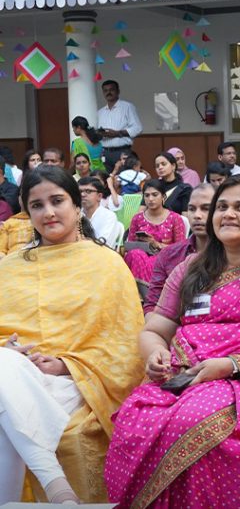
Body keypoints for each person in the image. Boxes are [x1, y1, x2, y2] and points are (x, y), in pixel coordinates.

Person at [106, 175, 240, 508]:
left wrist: (230, 365)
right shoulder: (191, 268)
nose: (228, 214)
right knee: (135, 420)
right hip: (182, 375)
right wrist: (156, 354)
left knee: (197, 421)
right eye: (222, 207)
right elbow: (154, 329)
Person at [0, 166, 143, 503]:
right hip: (15, 375)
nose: (48, 212)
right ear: (27, 212)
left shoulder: (106, 263)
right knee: (5, 366)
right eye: (37, 205)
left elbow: (126, 345)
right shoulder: (9, 267)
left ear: (77, 206)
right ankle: (56, 486)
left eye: (57, 201)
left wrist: (66, 365)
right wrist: (10, 351)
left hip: (76, 384)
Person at [142, 183, 215, 312]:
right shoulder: (169, 255)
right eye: (191, 209)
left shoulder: (232, 255)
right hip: (169, 320)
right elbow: (152, 305)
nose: (197, 215)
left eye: (206, 209)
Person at [124, 179, 188, 282]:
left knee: (146, 258)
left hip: (165, 259)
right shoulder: (137, 219)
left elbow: (181, 249)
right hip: (139, 257)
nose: (150, 199)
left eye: (155, 195)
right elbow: (130, 246)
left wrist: (155, 244)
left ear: (163, 197)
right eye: (147, 195)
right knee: (134, 254)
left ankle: (144, 290)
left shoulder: (175, 218)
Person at [97, 80, 143, 172]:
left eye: (111, 90)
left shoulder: (127, 107)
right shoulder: (100, 112)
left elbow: (138, 128)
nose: (108, 92)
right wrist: (99, 133)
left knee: (124, 178)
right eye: (105, 90)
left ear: (118, 91)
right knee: (106, 178)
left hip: (122, 152)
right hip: (105, 152)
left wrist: (117, 133)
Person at [78, 175, 122, 248]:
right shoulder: (74, 214)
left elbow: (103, 245)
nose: (82, 194)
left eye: (88, 191)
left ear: (99, 196)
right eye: (80, 191)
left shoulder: (109, 216)